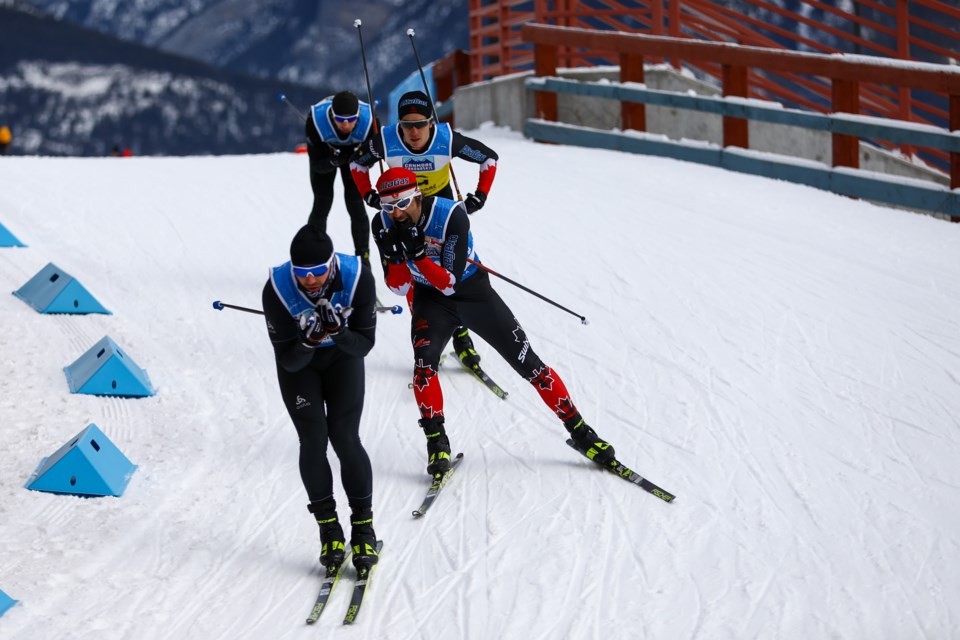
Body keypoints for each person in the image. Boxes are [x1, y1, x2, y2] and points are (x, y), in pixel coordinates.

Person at [370, 167, 617, 477]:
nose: (396, 213)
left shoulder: (451, 216)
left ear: (417, 194)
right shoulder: (381, 224)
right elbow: (400, 287)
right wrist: (395, 259)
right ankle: (437, 444)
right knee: (424, 366)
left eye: (403, 203)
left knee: (530, 365)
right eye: (388, 207)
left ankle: (581, 433)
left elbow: (449, 282)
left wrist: (418, 255)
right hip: (430, 301)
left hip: (472, 293)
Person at [351, 89, 500, 370]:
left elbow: (489, 158)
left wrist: (480, 195)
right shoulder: (386, 139)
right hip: (401, 214)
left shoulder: (446, 139)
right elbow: (357, 163)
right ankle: (428, 335)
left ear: (432, 122)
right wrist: (368, 194)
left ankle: (462, 338)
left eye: (421, 123)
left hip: (440, 213)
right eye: (407, 125)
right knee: (414, 276)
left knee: (450, 275)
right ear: (400, 125)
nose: (414, 131)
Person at [262, 224, 379, 570]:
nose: (310, 281)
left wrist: (339, 332)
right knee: (313, 440)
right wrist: (309, 341)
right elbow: (288, 359)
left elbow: (365, 344)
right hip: (302, 368)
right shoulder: (278, 289)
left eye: (318, 272)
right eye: (302, 274)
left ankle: (363, 529)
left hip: (344, 360)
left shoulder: (358, 277)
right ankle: (329, 530)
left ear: (332, 264)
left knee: (344, 438)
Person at [306, 91, 377, 262]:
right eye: (340, 120)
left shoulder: (369, 122)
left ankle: (363, 258)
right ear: (332, 115)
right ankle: (314, 255)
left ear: (358, 116)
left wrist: (359, 157)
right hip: (327, 155)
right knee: (322, 203)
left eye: (351, 120)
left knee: (356, 205)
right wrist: (332, 161)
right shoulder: (315, 121)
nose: (346, 125)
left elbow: (373, 159)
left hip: (353, 156)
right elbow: (317, 164)